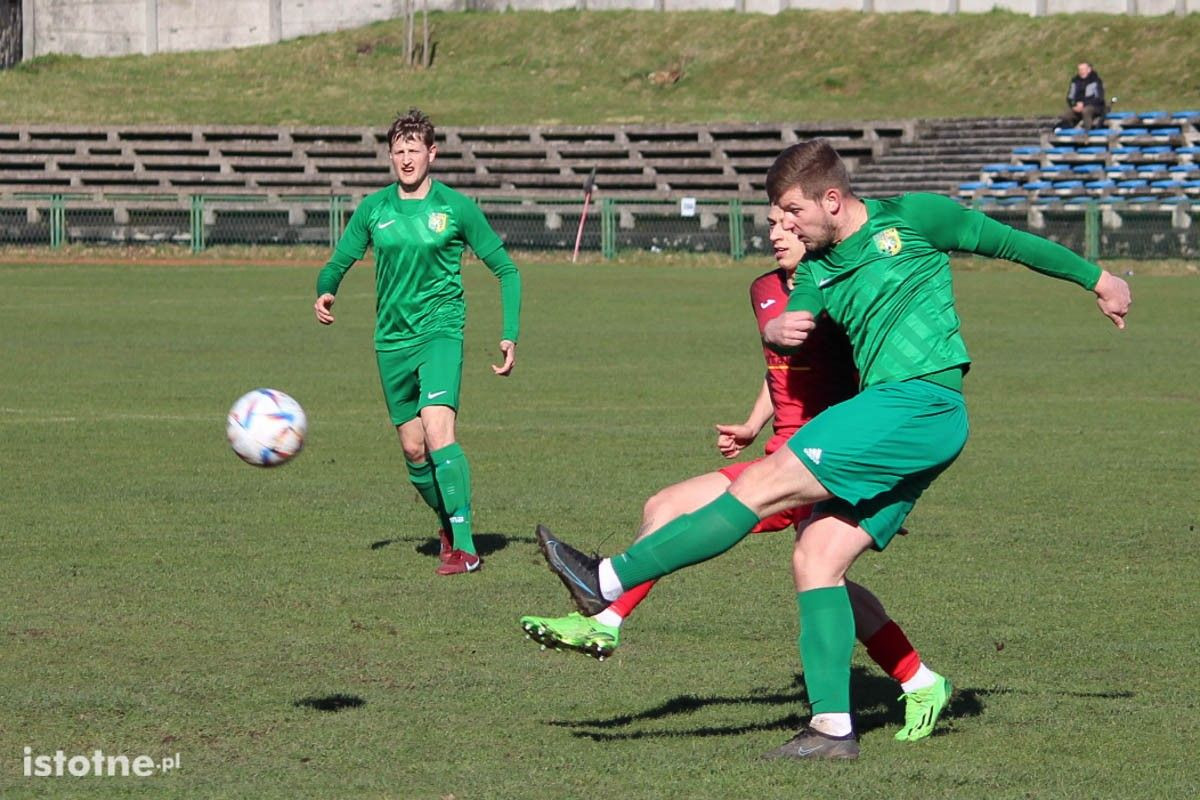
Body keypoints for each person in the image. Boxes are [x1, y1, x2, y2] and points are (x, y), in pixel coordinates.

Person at [533, 139, 1131, 760]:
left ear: (832, 199)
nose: (783, 224)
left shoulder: (916, 217)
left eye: (792, 211)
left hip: (919, 402)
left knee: (758, 488)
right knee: (817, 559)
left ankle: (607, 580)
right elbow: (796, 320)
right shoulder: (817, 269)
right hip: (900, 422)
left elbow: (1011, 243)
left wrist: (1099, 278)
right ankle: (833, 729)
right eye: (776, 214)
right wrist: (775, 327)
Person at [519, 205, 954, 743]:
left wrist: (876, 477)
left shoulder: (843, 288)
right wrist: (754, 421)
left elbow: (877, 379)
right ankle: (918, 679)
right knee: (800, 566)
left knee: (712, 524)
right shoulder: (764, 289)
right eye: (771, 224)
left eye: (789, 224)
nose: (777, 234)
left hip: (830, 460)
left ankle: (606, 614)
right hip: (780, 452)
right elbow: (779, 360)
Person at [314, 108, 522, 576]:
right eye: (398, 151)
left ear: (432, 153)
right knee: (413, 448)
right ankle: (448, 524)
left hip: (440, 332)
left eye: (414, 150)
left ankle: (466, 549)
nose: (406, 158)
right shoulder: (375, 209)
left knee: (437, 431)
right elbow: (339, 260)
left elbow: (507, 270)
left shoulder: (455, 207)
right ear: (390, 156)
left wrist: (509, 334)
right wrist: (326, 289)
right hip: (391, 341)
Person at [1058, 62, 1107, 130]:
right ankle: (1069, 132)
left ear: (1089, 70)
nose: (1081, 72)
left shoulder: (1096, 81)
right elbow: (1070, 97)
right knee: (1066, 115)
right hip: (1078, 107)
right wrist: (1074, 105)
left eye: (1083, 69)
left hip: (1094, 106)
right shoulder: (1075, 81)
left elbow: (1099, 98)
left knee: (1086, 111)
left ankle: (1087, 132)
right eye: (1080, 70)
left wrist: (1084, 104)